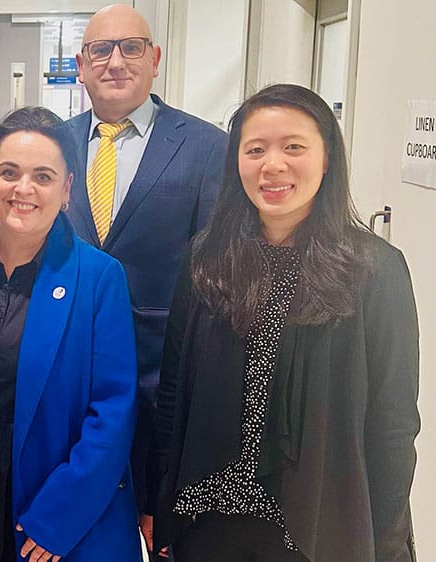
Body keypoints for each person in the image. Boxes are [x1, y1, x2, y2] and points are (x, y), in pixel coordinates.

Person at [147, 84, 419, 562]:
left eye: (294, 146)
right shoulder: (206, 259)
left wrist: (383, 538)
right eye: (255, 150)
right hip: (208, 520)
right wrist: (161, 507)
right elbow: (173, 397)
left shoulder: (373, 269)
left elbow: (393, 424)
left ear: (327, 156)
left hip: (321, 526)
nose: (272, 166)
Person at [0, 106, 141, 562]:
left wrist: (57, 519)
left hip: (45, 522)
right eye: (8, 172)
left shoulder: (99, 277)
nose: (22, 189)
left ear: (67, 188)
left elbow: (113, 411)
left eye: (43, 176)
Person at [63, 5, 228, 535]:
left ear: (155, 59)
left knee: (156, 537)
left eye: (131, 47)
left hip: (160, 390)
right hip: (66, 387)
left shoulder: (207, 149)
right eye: (100, 50)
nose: (115, 62)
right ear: (80, 65)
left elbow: (214, 279)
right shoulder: (52, 144)